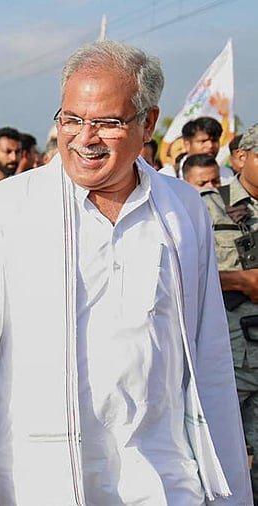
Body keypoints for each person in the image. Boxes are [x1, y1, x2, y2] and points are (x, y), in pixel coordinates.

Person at [0, 40, 250, 505]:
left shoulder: (181, 209)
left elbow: (208, 355)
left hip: (160, 472)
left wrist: (231, 491)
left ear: (147, 123)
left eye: (107, 122)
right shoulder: (11, 208)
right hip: (36, 475)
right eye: (71, 119)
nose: (84, 138)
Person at [204, 124, 258, 503]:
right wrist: (241, 280)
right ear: (241, 158)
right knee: (221, 453)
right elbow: (185, 272)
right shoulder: (208, 205)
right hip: (229, 355)